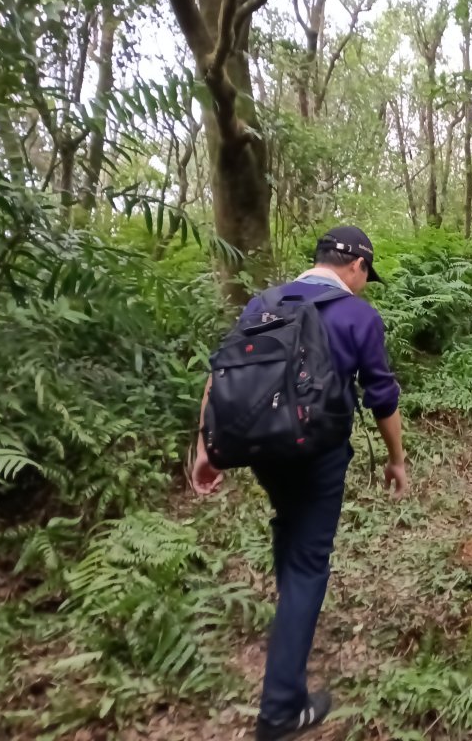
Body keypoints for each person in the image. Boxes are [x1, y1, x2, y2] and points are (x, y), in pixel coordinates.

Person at [189, 225, 408, 741]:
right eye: (365, 275)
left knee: (288, 527)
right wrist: (397, 459)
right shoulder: (357, 313)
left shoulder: (263, 303)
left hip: (263, 452)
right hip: (319, 455)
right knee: (310, 561)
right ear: (354, 266)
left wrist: (206, 448)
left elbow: (220, 376)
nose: (365, 285)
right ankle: (282, 707)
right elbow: (382, 395)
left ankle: (291, 616)